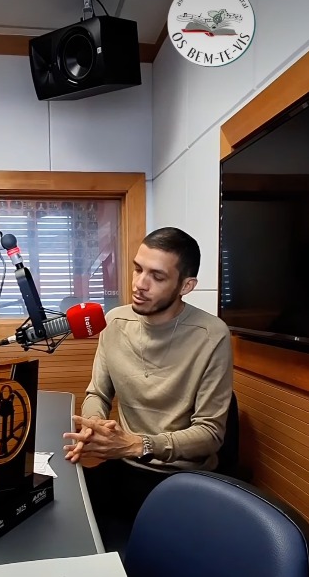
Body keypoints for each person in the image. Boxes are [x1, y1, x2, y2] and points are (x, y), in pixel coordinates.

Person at [62, 227, 233, 554]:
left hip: (180, 479)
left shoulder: (212, 335)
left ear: (186, 286)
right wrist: (95, 426)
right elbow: (98, 393)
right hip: (123, 466)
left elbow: (211, 433)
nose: (140, 284)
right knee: (61, 516)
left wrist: (139, 444)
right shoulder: (114, 321)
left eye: (157, 276)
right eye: (138, 269)